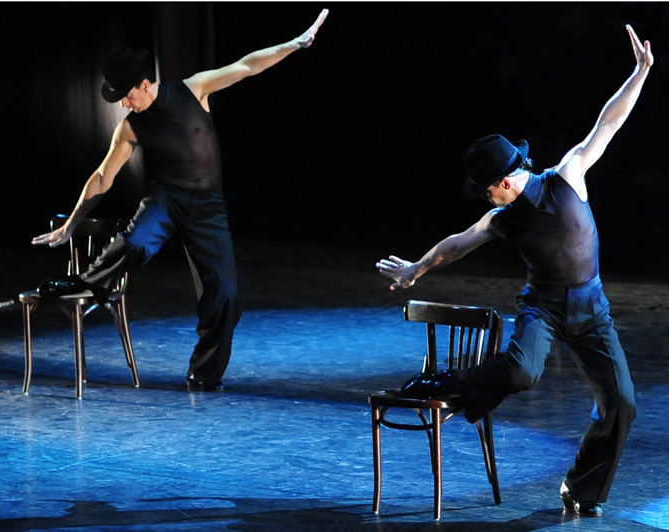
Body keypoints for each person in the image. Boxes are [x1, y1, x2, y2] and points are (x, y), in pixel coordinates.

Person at [376, 25, 652, 517]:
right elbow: (458, 244)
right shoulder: (502, 218)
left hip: (591, 307)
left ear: (504, 181)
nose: (485, 198)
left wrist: (640, 73)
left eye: (487, 189)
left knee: (622, 402)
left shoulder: (566, 176)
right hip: (543, 308)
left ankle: (581, 488)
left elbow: (607, 124)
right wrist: (417, 268)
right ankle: (447, 383)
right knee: (522, 371)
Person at [32, 9, 329, 392]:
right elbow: (103, 177)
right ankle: (86, 284)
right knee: (136, 242)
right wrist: (72, 223)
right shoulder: (130, 128)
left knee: (225, 296)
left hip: (208, 209)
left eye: (125, 95)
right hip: (167, 200)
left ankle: (204, 374)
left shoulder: (193, 89)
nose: (123, 103)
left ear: (143, 84)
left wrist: (293, 44)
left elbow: (247, 66)